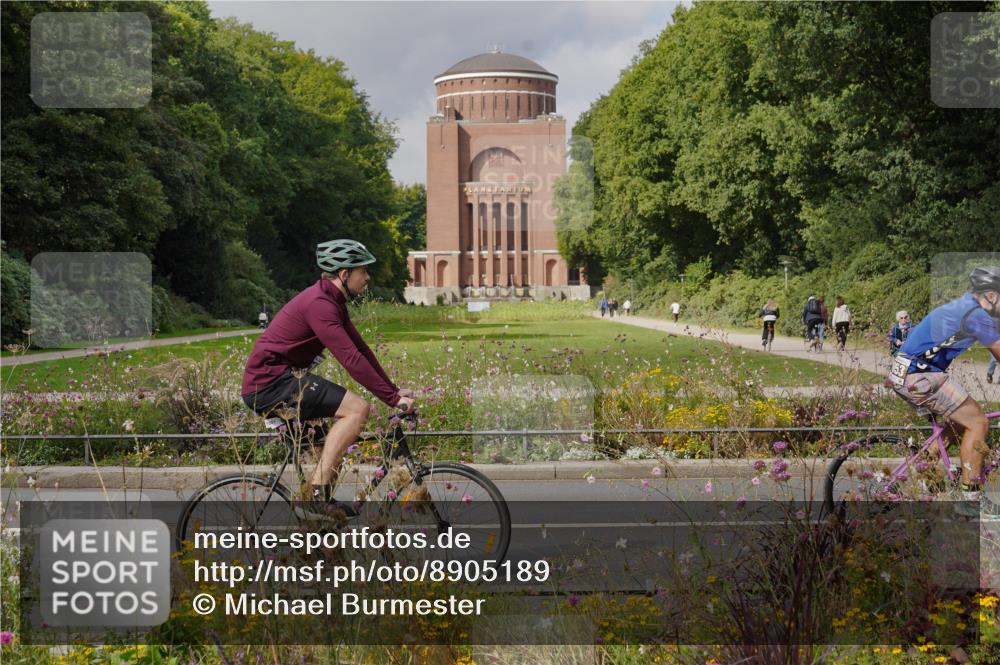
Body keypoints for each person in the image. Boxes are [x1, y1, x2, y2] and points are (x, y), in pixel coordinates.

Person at [241, 239, 415, 518]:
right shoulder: (320, 304)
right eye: (363, 271)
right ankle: (315, 496)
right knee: (357, 410)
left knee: (333, 448)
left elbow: (361, 350)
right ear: (344, 274)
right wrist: (392, 399)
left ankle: (320, 519)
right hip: (271, 383)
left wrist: (393, 391)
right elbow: (351, 359)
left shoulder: (332, 301)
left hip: (283, 380)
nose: (367, 277)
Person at [888, 266, 1000, 517]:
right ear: (991, 296)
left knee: (962, 421)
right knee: (978, 422)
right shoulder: (976, 315)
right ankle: (970, 498)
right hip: (919, 375)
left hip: (907, 373)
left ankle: (925, 468)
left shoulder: (965, 306)